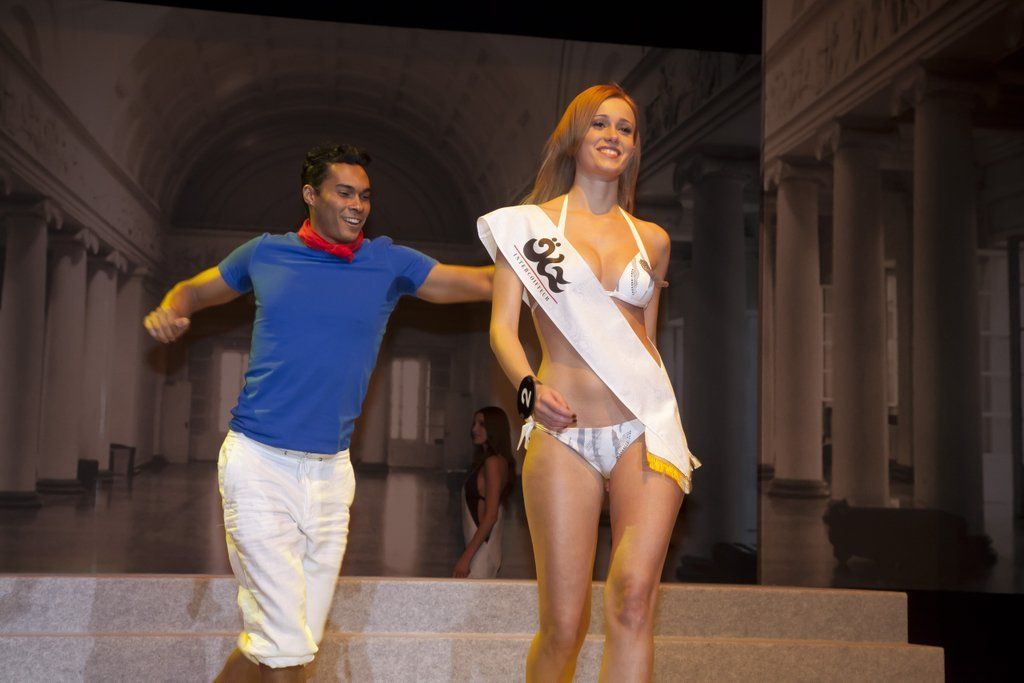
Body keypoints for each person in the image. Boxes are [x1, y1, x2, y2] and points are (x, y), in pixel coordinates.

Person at [144, 143, 492, 683]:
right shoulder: (265, 254)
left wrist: (577, 271)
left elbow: (486, 282)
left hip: (331, 476)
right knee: (286, 644)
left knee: (287, 643)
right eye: (344, 193)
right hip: (259, 466)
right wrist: (172, 309)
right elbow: (194, 290)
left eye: (366, 196)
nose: (358, 206)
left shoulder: (387, 262)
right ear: (310, 194)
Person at [478, 85, 700, 681]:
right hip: (563, 433)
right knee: (564, 625)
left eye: (625, 129)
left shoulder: (652, 239)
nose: (613, 136)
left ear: (635, 146)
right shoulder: (526, 228)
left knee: (633, 602)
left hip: (643, 430)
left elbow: (645, 342)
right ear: (575, 137)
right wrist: (529, 391)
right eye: (600, 124)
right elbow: (502, 331)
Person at [453, 406, 516, 579]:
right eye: (474, 423)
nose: (474, 429)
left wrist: (465, 558)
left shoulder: (492, 463)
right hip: (482, 552)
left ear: (495, 428)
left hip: (480, 556)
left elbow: (490, 516)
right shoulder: (496, 461)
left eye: (482, 424)